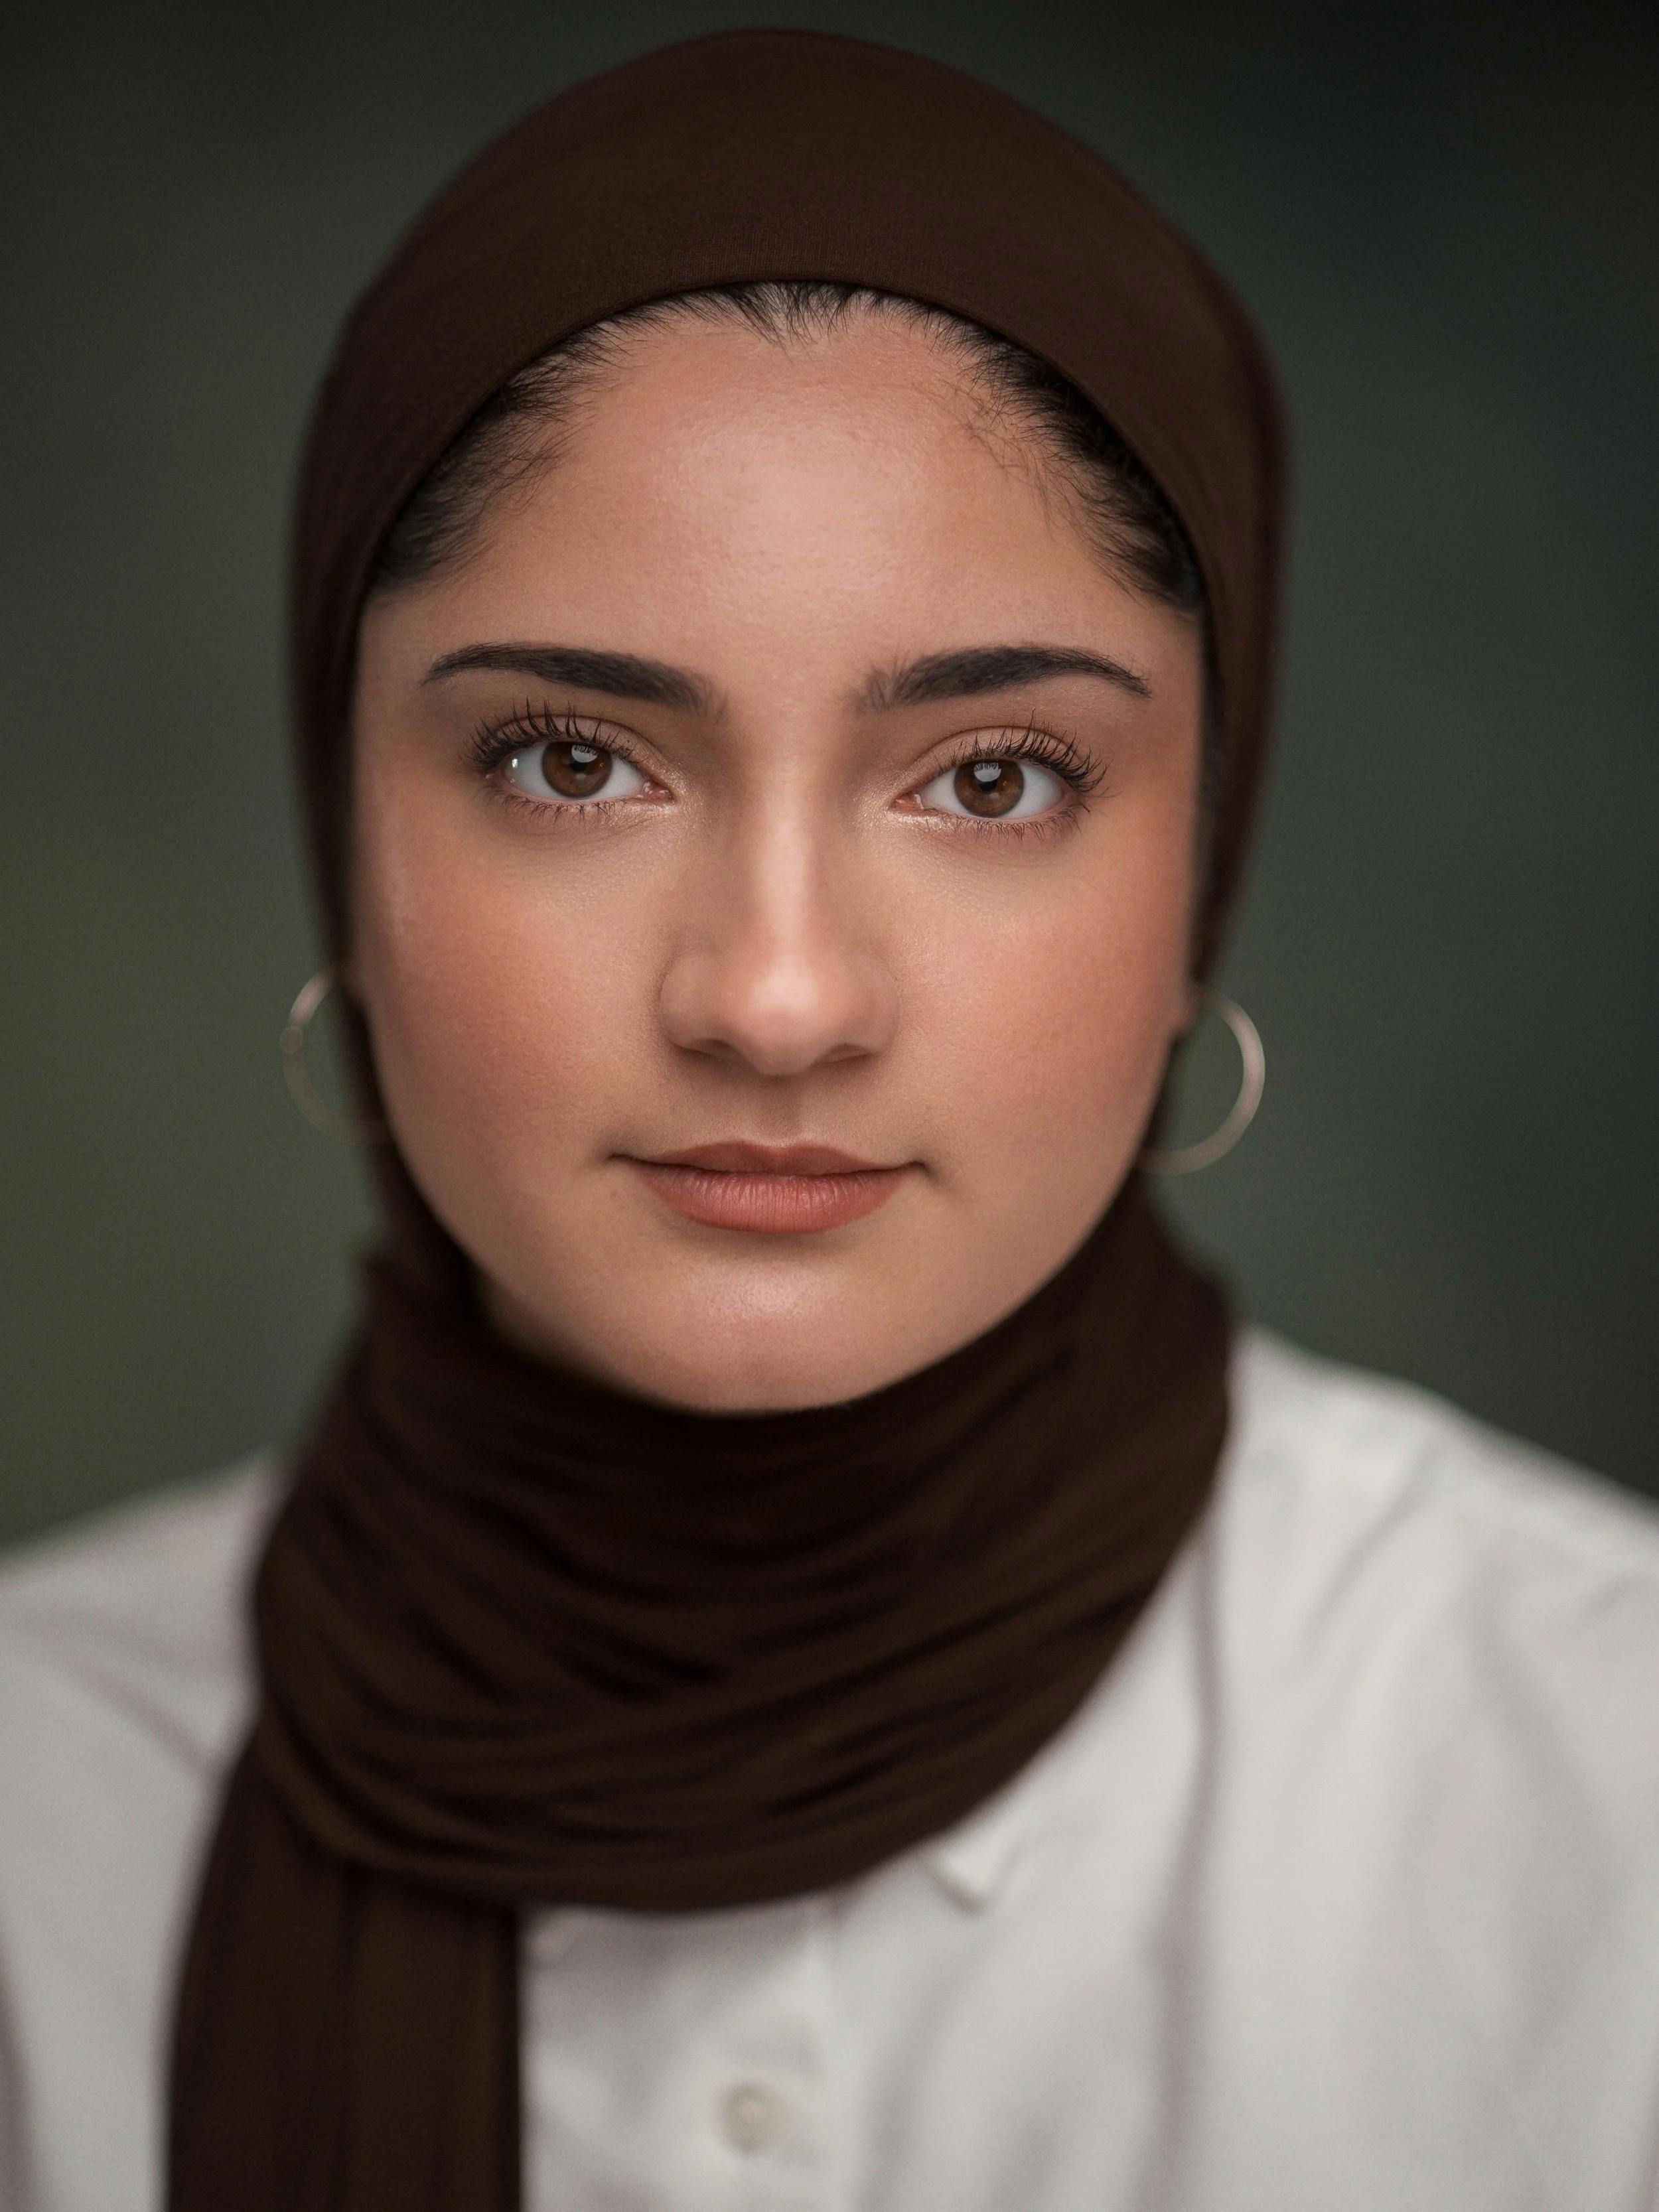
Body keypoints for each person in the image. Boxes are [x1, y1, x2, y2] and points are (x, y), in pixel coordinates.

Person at [1, 29, 1656, 2212]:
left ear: (1197, 876)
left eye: (990, 777)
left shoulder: (1598, 1785)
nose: (775, 996)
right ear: (347, 842)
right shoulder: (37, 1802)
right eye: (575, 759)